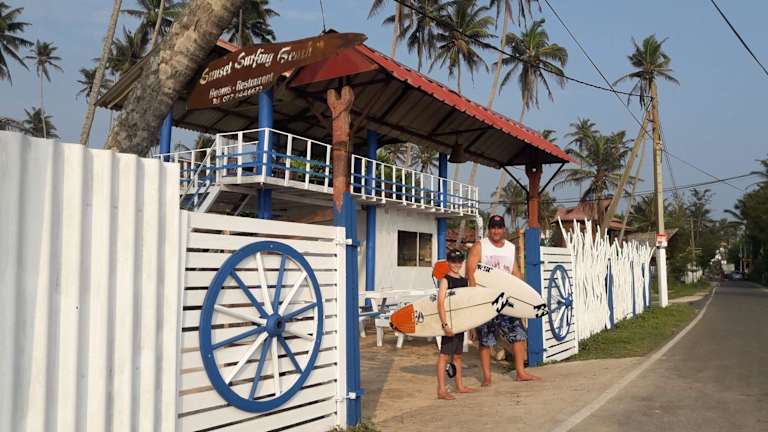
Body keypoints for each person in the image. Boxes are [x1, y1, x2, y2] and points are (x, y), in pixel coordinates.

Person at [467, 214, 542, 384]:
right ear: (489, 229)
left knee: (518, 335)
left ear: (503, 229)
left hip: (507, 301)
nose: (496, 231)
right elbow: (470, 272)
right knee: (485, 340)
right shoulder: (480, 246)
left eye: (499, 227)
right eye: (493, 227)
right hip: (486, 300)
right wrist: (474, 299)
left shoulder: (510, 248)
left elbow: (515, 273)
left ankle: (520, 372)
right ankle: (487, 377)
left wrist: (523, 297)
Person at [436, 249, 476, 400]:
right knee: (444, 356)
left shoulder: (464, 281)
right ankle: (441, 390)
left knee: (458, 356)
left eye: (459, 261)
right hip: (449, 324)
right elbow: (440, 304)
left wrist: (471, 327)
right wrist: (445, 325)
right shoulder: (445, 280)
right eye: (453, 261)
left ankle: (459, 386)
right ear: (448, 262)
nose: (456, 264)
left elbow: (466, 306)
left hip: (460, 324)